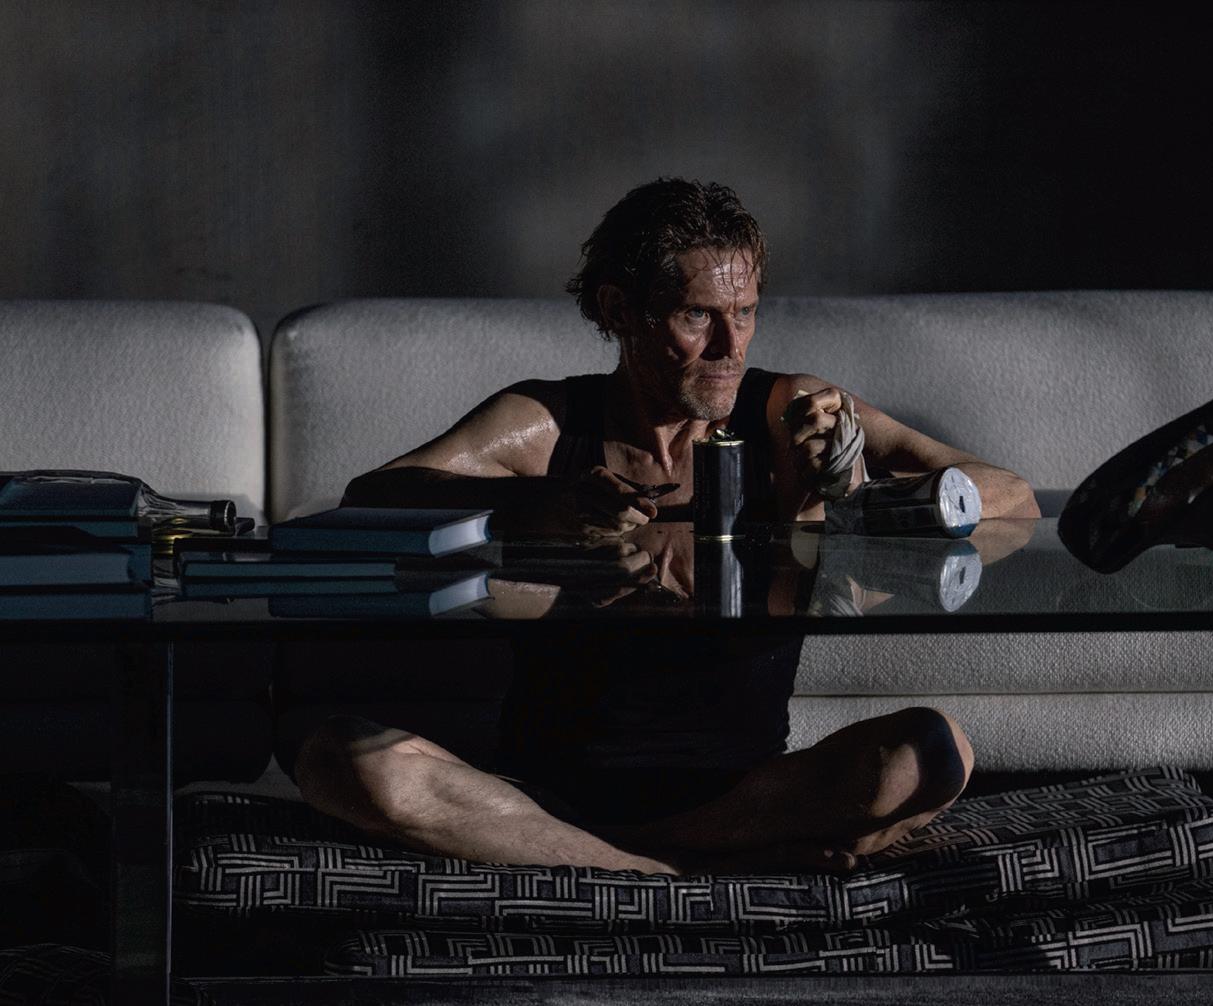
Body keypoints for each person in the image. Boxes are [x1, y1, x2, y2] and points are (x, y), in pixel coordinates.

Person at [295, 178, 1039, 875]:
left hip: (744, 793)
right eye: (697, 316)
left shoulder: (789, 412)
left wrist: (857, 494)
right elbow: (369, 499)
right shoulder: (551, 422)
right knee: (337, 757)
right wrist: (542, 505)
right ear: (620, 310)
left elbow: (1012, 497)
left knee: (934, 749)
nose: (730, 348)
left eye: (743, 313)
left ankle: (617, 859)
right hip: (541, 794)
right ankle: (669, 866)